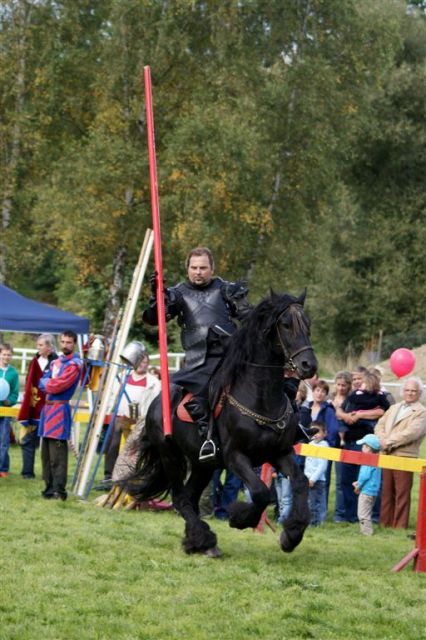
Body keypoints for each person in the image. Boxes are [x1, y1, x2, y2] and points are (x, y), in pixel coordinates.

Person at [143, 246, 251, 459]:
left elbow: (248, 317)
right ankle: (207, 435)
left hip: (231, 354)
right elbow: (154, 319)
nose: (198, 272)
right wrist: (157, 297)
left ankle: (287, 424)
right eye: (194, 268)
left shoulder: (226, 290)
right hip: (199, 360)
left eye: (203, 267)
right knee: (202, 391)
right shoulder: (177, 294)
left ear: (212, 268)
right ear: (187, 269)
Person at [100, 352, 161, 488]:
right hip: (121, 416)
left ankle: (131, 476)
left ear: (148, 363)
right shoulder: (123, 377)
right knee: (113, 445)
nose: (141, 364)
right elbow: (112, 395)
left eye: (144, 362)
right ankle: (108, 476)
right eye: (139, 361)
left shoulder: (153, 382)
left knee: (134, 449)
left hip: (140, 421)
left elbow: (155, 402)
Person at [336, 368, 389, 523]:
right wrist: (347, 416)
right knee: (347, 479)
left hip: (367, 444)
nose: (361, 384)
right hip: (350, 441)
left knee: (366, 480)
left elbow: (383, 411)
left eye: (363, 381)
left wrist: (359, 414)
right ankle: (351, 515)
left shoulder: (381, 397)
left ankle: (371, 516)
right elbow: (340, 409)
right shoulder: (354, 395)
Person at [375, 376, 426, 529]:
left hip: (405, 456)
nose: (410, 393)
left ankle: (399, 526)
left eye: (413, 391)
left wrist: (388, 442)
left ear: (419, 393)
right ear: (403, 391)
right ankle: (385, 524)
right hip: (387, 455)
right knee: (386, 492)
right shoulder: (394, 408)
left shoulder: (422, 412)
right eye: (407, 390)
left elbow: (412, 433)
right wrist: (382, 439)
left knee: (402, 494)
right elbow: (380, 425)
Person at [38, 330, 83, 500]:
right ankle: (49, 488)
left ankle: (59, 490)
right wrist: (48, 383)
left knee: (58, 454)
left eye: (69, 342)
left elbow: (58, 385)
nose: (65, 345)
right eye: (63, 342)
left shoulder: (75, 364)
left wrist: (48, 383)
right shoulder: (55, 362)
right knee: (46, 454)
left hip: (59, 410)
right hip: (47, 410)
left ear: (74, 343)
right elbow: (42, 381)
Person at [17, 334, 58, 479]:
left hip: (50, 408)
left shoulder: (57, 362)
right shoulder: (34, 361)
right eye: (38, 345)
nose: (38, 347)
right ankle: (27, 472)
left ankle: (49, 475)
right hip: (34, 407)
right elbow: (29, 381)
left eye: (41, 345)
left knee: (50, 443)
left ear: (49, 346)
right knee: (28, 439)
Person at [329, 370, 352, 522]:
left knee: (341, 480)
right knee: (321, 480)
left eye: (344, 385)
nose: (341, 388)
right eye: (338, 385)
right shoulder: (329, 399)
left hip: (343, 444)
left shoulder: (351, 401)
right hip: (328, 442)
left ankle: (340, 513)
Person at [352, 434, 382, 536]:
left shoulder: (368, 460)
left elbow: (364, 475)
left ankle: (367, 533)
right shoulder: (377, 459)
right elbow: (370, 476)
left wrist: (358, 485)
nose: (362, 448)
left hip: (366, 491)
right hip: (373, 490)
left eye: (364, 446)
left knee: (362, 514)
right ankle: (366, 531)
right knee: (367, 512)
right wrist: (359, 482)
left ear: (369, 448)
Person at [304, 421, 329, 526]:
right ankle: (311, 521)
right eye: (313, 431)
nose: (315, 434)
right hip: (308, 478)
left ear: (324, 433)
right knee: (309, 501)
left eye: (318, 432)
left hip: (317, 480)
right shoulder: (310, 444)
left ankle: (316, 522)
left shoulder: (324, 446)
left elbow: (322, 466)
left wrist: (313, 479)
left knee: (316, 502)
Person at [0, 343, 20, 478]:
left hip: (6, 410)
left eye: (9, 354)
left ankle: (3, 468)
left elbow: (15, 392)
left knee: (4, 440)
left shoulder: (13, 373)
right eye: (4, 354)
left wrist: (10, 401)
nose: (6, 357)